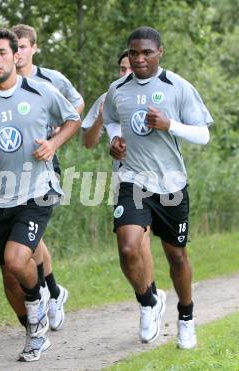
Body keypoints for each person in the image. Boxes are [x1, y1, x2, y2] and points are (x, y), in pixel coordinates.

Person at [0, 28, 81, 362]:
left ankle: (38, 299)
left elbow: (72, 118)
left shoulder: (40, 91)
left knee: (16, 258)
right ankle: (33, 331)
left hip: (38, 189)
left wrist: (53, 143)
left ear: (15, 55)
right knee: (9, 277)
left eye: (2, 53)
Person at [103, 26, 212, 349]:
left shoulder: (177, 87)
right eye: (133, 53)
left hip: (171, 184)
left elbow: (203, 134)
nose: (139, 59)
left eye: (146, 52)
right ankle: (148, 301)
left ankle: (186, 317)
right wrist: (114, 141)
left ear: (159, 52)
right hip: (133, 179)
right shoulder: (118, 88)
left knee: (176, 256)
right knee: (127, 246)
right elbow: (110, 119)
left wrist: (170, 125)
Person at [10, 23, 84, 331]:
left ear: (33, 48)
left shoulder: (51, 79)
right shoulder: (2, 82)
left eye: (22, 46)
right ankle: (53, 291)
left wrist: (56, 134)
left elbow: (77, 104)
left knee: (32, 235)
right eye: (12, 47)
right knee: (33, 236)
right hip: (11, 169)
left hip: (44, 165)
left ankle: (46, 291)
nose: (17, 53)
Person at [82, 50, 157, 303]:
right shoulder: (110, 96)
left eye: (130, 68)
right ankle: (151, 296)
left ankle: (151, 298)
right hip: (124, 179)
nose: (126, 73)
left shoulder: (155, 93)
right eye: (122, 69)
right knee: (134, 243)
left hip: (155, 177)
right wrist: (101, 118)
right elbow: (88, 143)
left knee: (142, 239)